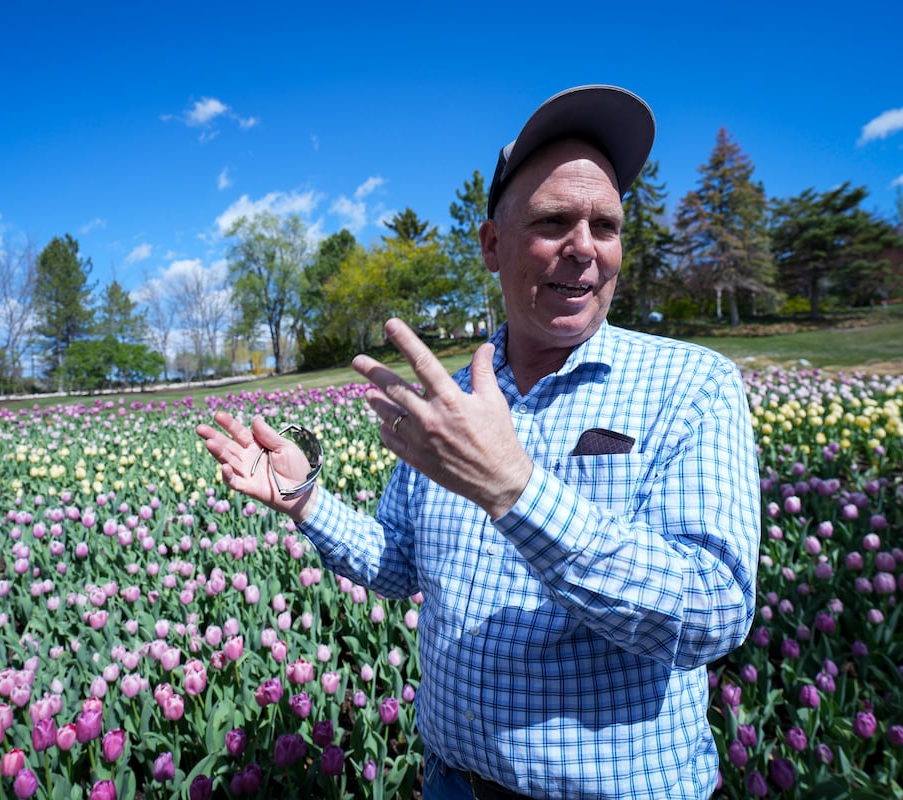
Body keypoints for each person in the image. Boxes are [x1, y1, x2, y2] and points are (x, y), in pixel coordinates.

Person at [198, 85, 760, 800]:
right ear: (493, 245)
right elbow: (400, 563)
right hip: (451, 782)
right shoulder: (451, 402)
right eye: (553, 221)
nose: (584, 248)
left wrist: (516, 491)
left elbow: (714, 611)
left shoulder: (691, 385)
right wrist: (305, 500)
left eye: (606, 225)